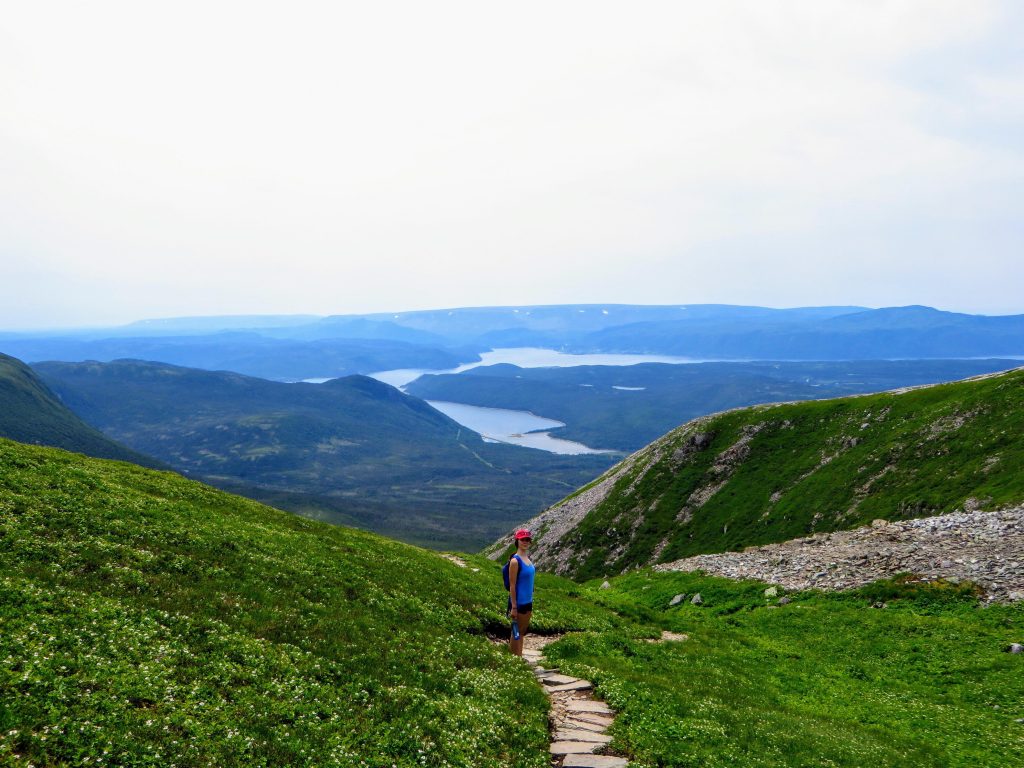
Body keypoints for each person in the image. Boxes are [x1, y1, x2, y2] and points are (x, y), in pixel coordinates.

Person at [507, 528, 536, 656]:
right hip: (519, 603)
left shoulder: (527, 559)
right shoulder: (515, 561)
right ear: (517, 541)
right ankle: (514, 658)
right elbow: (512, 586)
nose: (525, 542)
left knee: (521, 631)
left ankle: (519, 656)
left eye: (527, 540)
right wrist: (514, 607)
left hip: (528, 601)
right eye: (523, 539)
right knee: (516, 632)